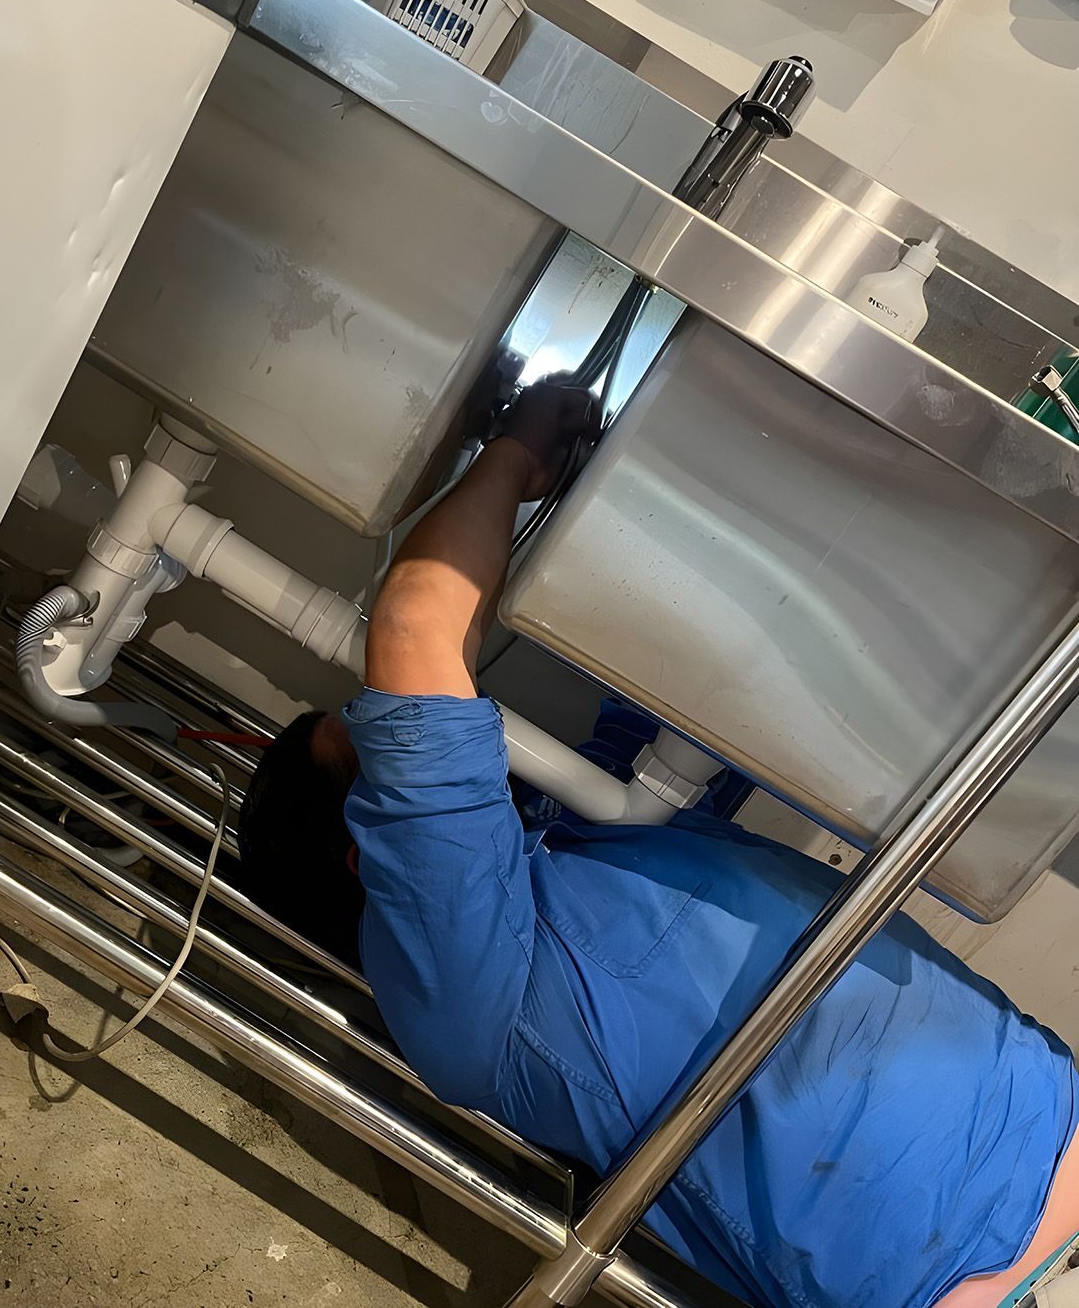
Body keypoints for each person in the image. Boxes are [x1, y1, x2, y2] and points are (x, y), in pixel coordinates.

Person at [235, 382, 1079, 1308]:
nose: (405, 730)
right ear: (372, 854)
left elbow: (683, 684)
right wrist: (516, 451)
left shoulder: (569, 842)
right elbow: (413, 628)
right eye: (371, 751)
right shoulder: (464, 995)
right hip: (983, 1276)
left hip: (1056, 1112)